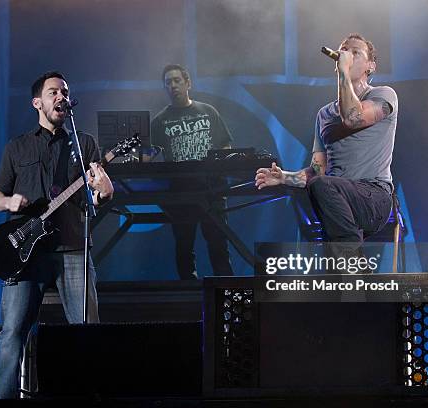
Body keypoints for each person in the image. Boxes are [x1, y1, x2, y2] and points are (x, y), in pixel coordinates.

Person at [0, 71, 114, 399]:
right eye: (53, 92)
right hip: (26, 253)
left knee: (87, 330)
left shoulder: (82, 142)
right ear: (37, 102)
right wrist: (10, 201)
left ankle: (91, 396)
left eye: (65, 92)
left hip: (72, 247)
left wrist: (105, 189)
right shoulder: (17, 147)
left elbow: (99, 194)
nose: (60, 96)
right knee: (13, 331)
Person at [255, 33, 397, 273]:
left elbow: (353, 118)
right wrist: (284, 177)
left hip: (374, 196)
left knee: (324, 188)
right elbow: (317, 172)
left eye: (356, 53)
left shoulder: (383, 94)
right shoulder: (324, 115)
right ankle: (348, 274)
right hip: (337, 199)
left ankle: (355, 267)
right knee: (334, 281)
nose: (348, 56)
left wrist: (343, 71)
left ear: (371, 65)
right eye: (344, 51)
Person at [150, 64, 234, 280]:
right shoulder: (159, 121)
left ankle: (226, 295)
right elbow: (147, 156)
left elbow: (226, 146)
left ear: (188, 83)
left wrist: (220, 166)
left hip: (212, 189)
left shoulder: (208, 112)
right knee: (184, 247)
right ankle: (189, 298)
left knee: (218, 244)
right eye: (168, 82)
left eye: (177, 80)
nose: (173, 85)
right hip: (180, 194)